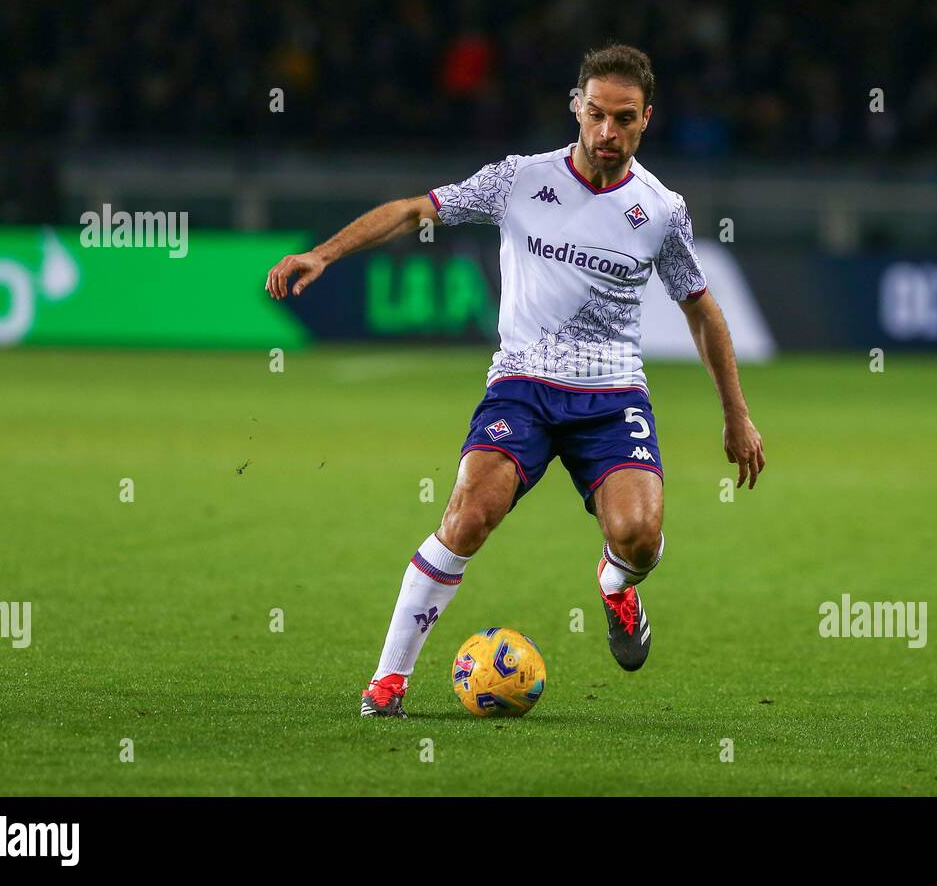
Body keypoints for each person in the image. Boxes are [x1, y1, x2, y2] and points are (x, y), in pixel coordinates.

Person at [265, 44, 765, 718]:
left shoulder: (662, 211)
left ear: (647, 119)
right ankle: (387, 683)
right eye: (595, 115)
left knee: (640, 534)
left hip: (612, 394)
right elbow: (417, 209)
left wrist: (736, 415)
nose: (607, 133)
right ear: (576, 108)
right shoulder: (519, 180)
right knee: (468, 515)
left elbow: (701, 309)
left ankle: (618, 584)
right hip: (522, 386)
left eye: (624, 119)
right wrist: (323, 252)